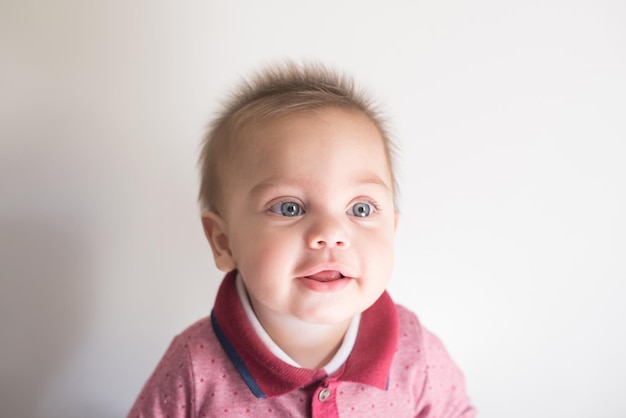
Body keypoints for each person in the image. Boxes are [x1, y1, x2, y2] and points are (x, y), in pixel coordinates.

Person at [127, 61, 476, 417]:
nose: (331, 234)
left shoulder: (414, 350)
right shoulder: (195, 365)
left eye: (360, 209)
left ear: (392, 230)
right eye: (290, 208)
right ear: (223, 242)